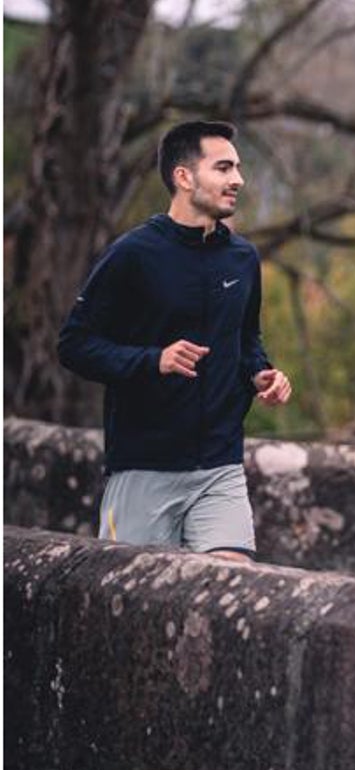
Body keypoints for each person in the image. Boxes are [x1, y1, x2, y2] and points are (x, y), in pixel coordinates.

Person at [59, 120, 290, 562]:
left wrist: (260, 374)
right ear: (184, 177)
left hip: (220, 467)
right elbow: (74, 344)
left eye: (238, 168)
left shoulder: (242, 258)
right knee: (130, 614)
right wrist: (153, 361)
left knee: (230, 591)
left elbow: (245, 338)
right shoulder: (132, 255)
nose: (237, 180)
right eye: (224, 168)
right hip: (144, 468)